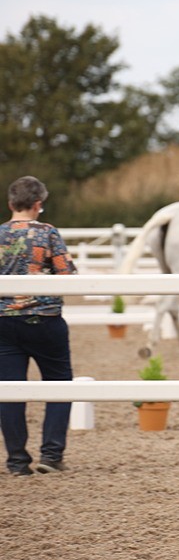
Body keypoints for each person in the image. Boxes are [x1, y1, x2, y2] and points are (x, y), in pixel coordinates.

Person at [0, 176, 77, 476]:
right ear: (38, 205)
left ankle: (17, 460)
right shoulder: (48, 233)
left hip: (4, 322)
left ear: (10, 204)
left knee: (10, 390)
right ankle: (51, 453)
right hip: (44, 320)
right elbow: (66, 273)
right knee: (58, 382)